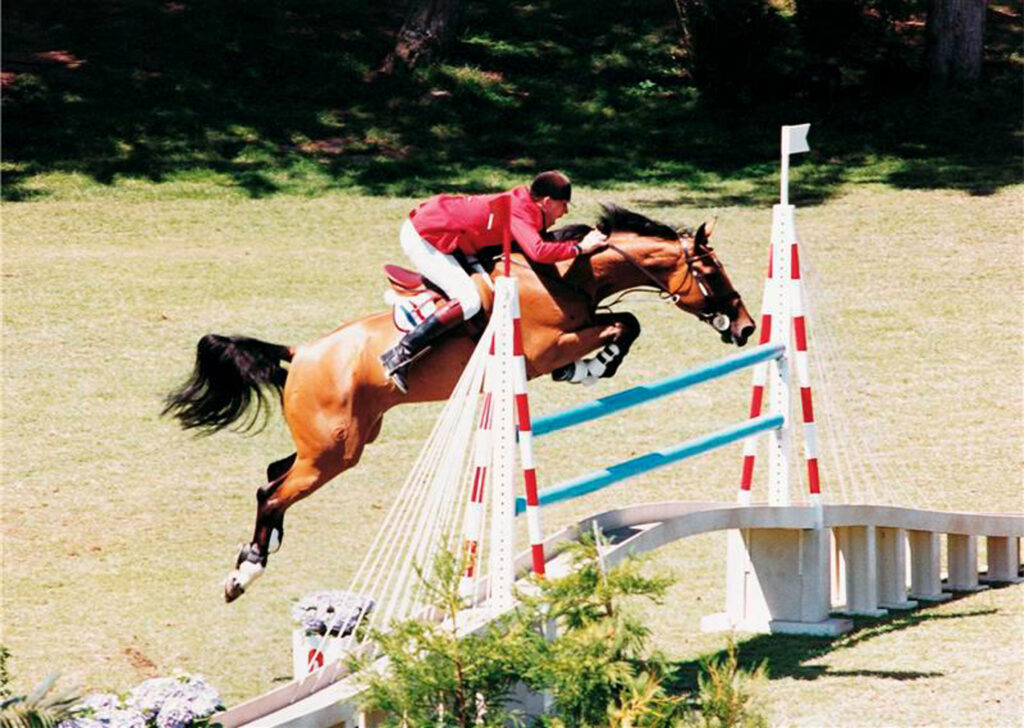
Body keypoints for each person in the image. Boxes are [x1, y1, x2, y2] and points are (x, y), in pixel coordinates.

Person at [380, 170, 608, 393]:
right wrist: (580, 248)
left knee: (491, 291)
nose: (565, 211)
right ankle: (401, 353)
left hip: (455, 238)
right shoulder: (520, 210)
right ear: (547, 202)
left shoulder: (528, 208)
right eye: (564, 204)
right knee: (470, 300)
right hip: (425, 235)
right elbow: (538, 251)